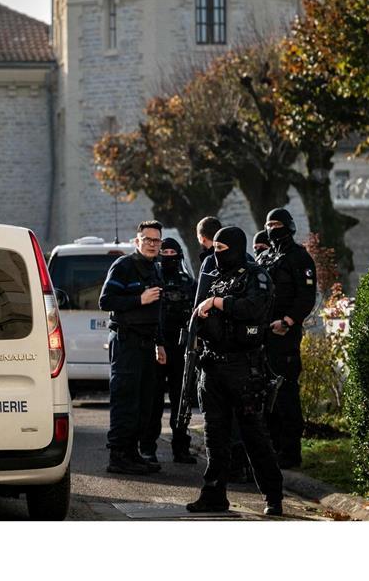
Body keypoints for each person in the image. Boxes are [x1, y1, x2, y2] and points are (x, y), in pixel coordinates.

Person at [185, 226, 283, 516]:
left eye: (223, 248)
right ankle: (214, 496)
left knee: (254, 435)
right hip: (212, 367)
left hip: (244, 368)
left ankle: (273, 496)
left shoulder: (257, 276)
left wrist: (216, 303)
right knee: (215, 436)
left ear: (237, 248)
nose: (217, 254)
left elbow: (253, 308)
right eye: (214, 248)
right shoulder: (215, 279)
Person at [100, 220, 169, 475]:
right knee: (125, 399)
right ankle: (118, 456)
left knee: (143, 402)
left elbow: (157, 311)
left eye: (157, 240)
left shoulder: (155, 269)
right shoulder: (124, 266)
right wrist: (138, 299)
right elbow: (105, 300)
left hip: (147, 343)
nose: (152, 244)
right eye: (147, 240)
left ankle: (132, 453)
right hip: (126, 342)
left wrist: (160, 343)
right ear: (137, 241)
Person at [260, 207, 317, 468]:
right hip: (263, 337)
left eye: (277, 224)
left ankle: (290, 452)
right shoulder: (266, 258)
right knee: (265, 395)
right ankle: (271, 447)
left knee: (286, 393)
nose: (273, 229)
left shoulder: (299, 258)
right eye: (269, 224)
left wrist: (287, 321)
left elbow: (306, 297)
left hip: (285, 335)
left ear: (289, 226)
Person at [139, 237, 198, 464]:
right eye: (166, 252)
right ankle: (147, 447)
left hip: (182, 349)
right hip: (157, 347)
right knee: (152, 402)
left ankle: (181, 447)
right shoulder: (152, 280)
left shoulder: (188, 283)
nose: (169, 256)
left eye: (173, 252)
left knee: (181, 400)